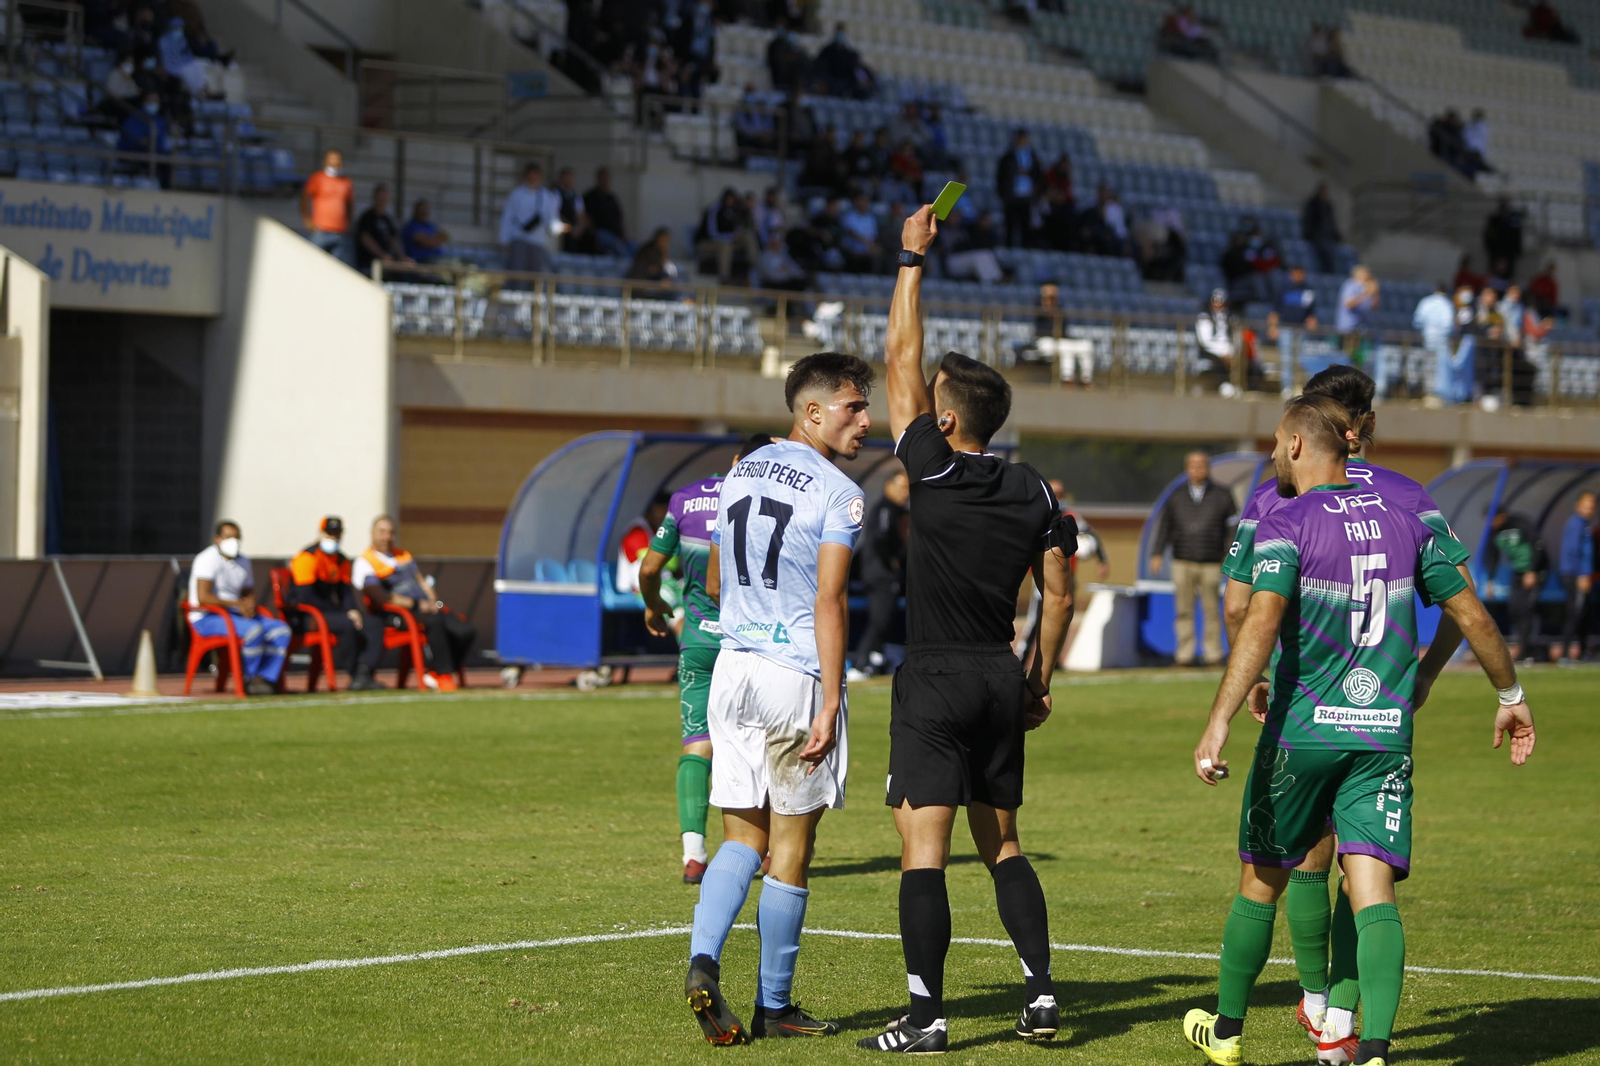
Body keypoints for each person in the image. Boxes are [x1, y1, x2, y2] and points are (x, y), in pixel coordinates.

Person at [1183, 393, 1535, 1066]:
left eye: (1275, 445)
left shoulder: (1287, 518)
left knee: (1261, 879)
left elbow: (1257, 619)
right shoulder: (1408, 517)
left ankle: (1226, 1032)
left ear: (1295, 445)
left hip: (1303, 732)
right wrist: (1510, 694)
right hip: (1382, 736)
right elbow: (1475, 617)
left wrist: (1218, 721)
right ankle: (1368, 1046)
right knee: (1370, 888)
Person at [855, 206, 1076, 1055]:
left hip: (938, 677)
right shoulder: (1034, 491)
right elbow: (1057, 593)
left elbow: (898, 358)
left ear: (947, 421)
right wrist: (1038, 678)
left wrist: (912, 257)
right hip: (996, 675)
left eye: (931, 404)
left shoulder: (935, 471)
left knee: (923, 852)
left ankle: (926, 1017)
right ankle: (1043, 995)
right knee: (1005, 843)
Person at [684, 353, 870, 1045]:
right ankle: (775, 1004)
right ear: (812, 411)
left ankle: (704, 959)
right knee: (792, 844)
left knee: (740, 836)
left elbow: (713, 567)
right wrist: (829, 697)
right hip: (795, 675)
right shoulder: (840, 492)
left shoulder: (740, 470)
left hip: (733, 669)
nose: (866, 420)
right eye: (853, 407)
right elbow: (829, 598)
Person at [641, 434, 777, 885]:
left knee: (697, 746)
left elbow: (648, 569)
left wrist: (654, 606)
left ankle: (694, 855)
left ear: (735, 459)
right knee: (757, 743)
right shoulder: (777, 503)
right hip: (752, 643)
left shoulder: (685, 498)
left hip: (699, 641)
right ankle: (767, 850)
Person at [352, 515, 475, 693]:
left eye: (391, 533)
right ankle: (442, 675)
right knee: (435, 622)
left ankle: (435, 672)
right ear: (372, 534)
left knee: (465, 630)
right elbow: (380, 597)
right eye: (382, 532)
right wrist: (417, 605)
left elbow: (422, 582)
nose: (387, 537)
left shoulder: (403, 555)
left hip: (427, 608)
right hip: (396, 613)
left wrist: (434, 602)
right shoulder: (365, 561)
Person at [1150, 451, 1235, 666]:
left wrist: (1231, 554)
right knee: (1183, 609)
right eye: (1193, 465)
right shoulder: (1176, 495)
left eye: (1201, 465)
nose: (1197, 469)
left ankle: (1213, 654)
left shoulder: (1223, 494)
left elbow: (1233, 528)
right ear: (1187, 468)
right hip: (1182, 560)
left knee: (1211, 610)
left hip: (1212, 561)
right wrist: (1157, 553)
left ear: (1207, 468)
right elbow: (1165, 527)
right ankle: (1184, 655)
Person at [187, 520, 290, 696]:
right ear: (217, 539)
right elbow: (203, 598)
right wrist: (237, 604)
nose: (233, 541)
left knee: (281, 630)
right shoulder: (207, 559)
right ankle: (248, 677)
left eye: (237, 537)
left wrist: (249, 604)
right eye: (228, 537)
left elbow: (248, 591)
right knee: (254, 630)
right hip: (207, 617)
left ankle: (265, 678)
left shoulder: (243, 561)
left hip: (235, 614)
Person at [290, 516, 384, 691]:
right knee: (347, 624)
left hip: (330, 613)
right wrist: (344, 614)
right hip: (306, 615)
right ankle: (353, 672)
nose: (333, 538)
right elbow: (304, 597)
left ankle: (364, 672)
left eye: (336, 534)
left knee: (373, 623)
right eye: (329, 533)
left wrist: (353, 611)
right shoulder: (307, 557)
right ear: (321, 533)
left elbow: (345, 594)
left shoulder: (341, 560)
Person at [848, 471, 909, 682]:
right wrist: (892, 562)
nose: (905, 493)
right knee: (879, 619)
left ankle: (875, 659)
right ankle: (860, 662)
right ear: (889, 486)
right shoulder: (885, 508)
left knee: (885, 619)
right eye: (901, 488)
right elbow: (881, 539)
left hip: (881, 574)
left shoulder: (896, 511)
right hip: (880, 575)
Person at [1485, 508, 1547, 663]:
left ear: (1502, 516)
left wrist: (1532, 571)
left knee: (1527, 609)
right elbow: (1493, 557)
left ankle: (1530, 650)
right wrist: (1490, 580)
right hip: (1518, 572)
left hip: (1535, 571)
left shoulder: (1520, 523)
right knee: (1515, 609)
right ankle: (1525, 648)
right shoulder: (1495, 532)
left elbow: (1538, 544)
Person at [499, 162, 567, 276]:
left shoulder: (547, 196)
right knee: (517, 274)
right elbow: (508, 217)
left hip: (538, 241)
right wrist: (504, 239)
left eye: (536, 175)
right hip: (519, 238)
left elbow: (552, 220)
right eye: (531, 175)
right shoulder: (516, 194)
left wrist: (559, 228)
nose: (533, 178)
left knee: (535, 276)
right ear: (525, 176)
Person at [1268, 265, 1318, 396]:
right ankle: (1287, 386)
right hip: (1285, 328)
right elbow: (1275, 310)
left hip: (1301, 329)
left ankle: (1301, 386)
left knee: (1302, 358)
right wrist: (1273, 326)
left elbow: (1311, 311)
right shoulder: (1283, 289)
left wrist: (1312, 320)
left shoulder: (1307, 290)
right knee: (1286, 358)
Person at [1557, 492, 1595, 663]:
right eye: (1586, 504)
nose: (1590, 508)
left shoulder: (1585, 524)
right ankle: (1565, 654)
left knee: (1584, 614)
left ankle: (1583, 651)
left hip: (1582, 575)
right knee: (1575, 614)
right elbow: (1573, 551)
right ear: (1578, 505)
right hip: (1575, 576)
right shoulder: (1576, 524)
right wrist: (1581, 575)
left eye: (1592, 505)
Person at [695, 188, 760, 284]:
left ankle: (754, 269)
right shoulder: (714, 210)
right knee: (726, 246)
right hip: (706, 243)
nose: (731, 201)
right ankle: (724, 278)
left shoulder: (734, 211)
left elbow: (739, 228)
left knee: (748, 237)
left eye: (732, 199)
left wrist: (738, 234)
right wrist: (732, 236)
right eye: (729, 199)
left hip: (728, 242)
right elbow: (712, 234)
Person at [300, 149, 353, 260]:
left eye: (338, 159)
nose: (335, 162)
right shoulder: (318, 178)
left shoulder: (346, 181)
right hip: (321, 231)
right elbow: (305, 198)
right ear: (326, 161)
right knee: (315, 262)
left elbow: (349, 204)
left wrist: (348, 223)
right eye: (332, 158)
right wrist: (307, 219)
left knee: (338, 267)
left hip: (340, 232)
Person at [996, 129, 1042, 248]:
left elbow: (1038, 174)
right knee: (1010, 228)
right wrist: (1004, 195)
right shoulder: (1008, 157)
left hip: (1026, 198)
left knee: (1026, 228)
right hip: (1012, 197)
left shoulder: (1032, 157)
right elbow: (1001, 177)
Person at [354, 184, 413, 277]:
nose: (382, 200)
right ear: (375, 198)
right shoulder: (367, 217)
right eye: (380, 197)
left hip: (387, 263)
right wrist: (382, 255)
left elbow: (394, 240)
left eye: (384, 197)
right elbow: (365, 238)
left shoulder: (388, 219)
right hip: (369, 263)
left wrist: (402, 257)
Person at [117, 90, 172, 188]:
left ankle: (166, 190)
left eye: (156, 101)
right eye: (150, 101)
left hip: (155, 153)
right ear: (144, 102)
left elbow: (162, 141)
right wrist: (143, 141)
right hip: (134, 152)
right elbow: (130, 138)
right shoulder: (135, 117)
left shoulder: (159, 120)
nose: (153, 104)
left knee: (167, 159)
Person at [1335, 265, 1379, 378]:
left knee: (1359, 359)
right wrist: (1366, 293)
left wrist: (1374, 293)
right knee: (1348, 356)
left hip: (1361, 329)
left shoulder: (1364, 288)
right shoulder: (1350, 285)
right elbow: (1348, 303)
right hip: (1348, 329)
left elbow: (1373, 306)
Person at [584, 166, 629, 256]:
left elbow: (620, 218)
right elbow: (586, 218)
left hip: (616, 235)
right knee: (619, 248)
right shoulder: (590, 197)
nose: (605, 181)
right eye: (603, 178)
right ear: (598, 179)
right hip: (600, 233)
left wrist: (623, 235)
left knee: (633, 246)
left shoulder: (612, 198)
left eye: (607, 179)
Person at [1301, 184, 1341, 275]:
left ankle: (1332, 273)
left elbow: (1332, 223)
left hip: (1328, 237)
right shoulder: (1312, 205)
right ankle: (1326, 273)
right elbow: (1308, 222)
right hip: (1317, 237)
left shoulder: (1328, 206)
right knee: (1325, 249)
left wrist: (1337, 236)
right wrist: (1311, 234)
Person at [1483, 198, 1522, 279]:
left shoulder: (1513, 220)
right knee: (1495, 277)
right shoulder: (1493, 220)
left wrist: (1517, 250)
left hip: (1508, 252)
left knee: (1507, 277)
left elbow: (1517, 235)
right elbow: (1488, 236)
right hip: (1496, 251)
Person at [400, 199, 449, 265]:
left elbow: (445, 237)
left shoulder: (430, 225)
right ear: (415, 211)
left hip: (437, 258)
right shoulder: (411, 226)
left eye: (425, 210)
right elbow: (424, 242)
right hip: (421, 261)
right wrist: (435, 240)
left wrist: (431, 240)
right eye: (421, 210)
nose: (424, 212)